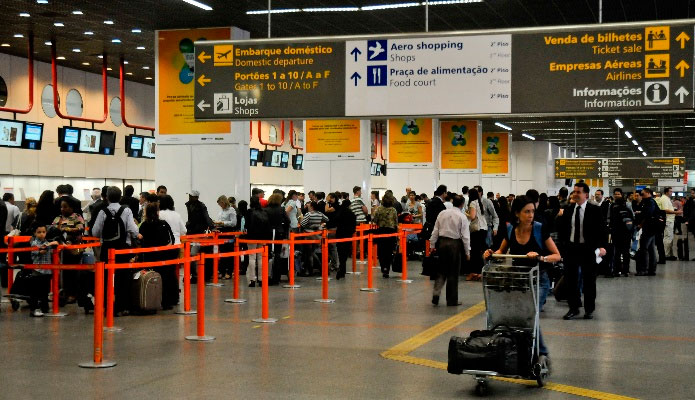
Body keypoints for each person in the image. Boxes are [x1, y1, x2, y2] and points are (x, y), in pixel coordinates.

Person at [483, 195, 560, 367]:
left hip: (539, 281)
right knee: (516, 316)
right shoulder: (511, 230)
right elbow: (501, 252)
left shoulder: (539, 229)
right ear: (517, 213)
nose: (531, 215)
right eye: (526, 212)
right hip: (519, 280)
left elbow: (557, 255)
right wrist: (490, 253)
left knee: (530, 315)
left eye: (532, 211)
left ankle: (543, 353)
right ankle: (522, 350)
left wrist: (540, 257)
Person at [557, 182, 607, 320]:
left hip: (588, 249)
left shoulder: (594, 210)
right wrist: (563, 246)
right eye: (574, 192)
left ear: (586, 194)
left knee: (589, 280)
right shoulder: (568, 209)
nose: (575, 194)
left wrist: (602, 246)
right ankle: (573, 308)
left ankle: (589, 309)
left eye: (578, 192)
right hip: (572, 248)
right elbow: (563, 230)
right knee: (571, 280)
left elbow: (602, 230)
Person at [92, 186, 142, 315]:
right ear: (120, 197)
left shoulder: (103, 212)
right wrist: (137, 235)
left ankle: (106, 306)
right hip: (122, 249)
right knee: (123, 277)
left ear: (107, 197)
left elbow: (95, 232)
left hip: (107, 249)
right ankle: (122, 306)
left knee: (106, 277)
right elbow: (133, 229)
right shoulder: (126, 211)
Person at [430, 195, 470, 306]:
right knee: (453, 272)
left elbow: (435, 231)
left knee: (441, 270)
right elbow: (465, 237)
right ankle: (452, 300)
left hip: (442, 243)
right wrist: (467, 252)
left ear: (452, 202)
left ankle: (436, 294)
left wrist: (432, 244)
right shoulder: (462, 217)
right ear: (462, 204)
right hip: (454, 245)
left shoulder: (442, 213)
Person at [138, 202, 178, 309]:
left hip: (149, 257)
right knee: (167, 278)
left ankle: (151, 301)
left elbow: (140, 240)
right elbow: (172, 239)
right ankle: (168, 301)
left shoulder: (144, 225)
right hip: (164, 256)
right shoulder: (163, 224)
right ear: (157, 212)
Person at [52, 199, 86, 304]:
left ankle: (73, 294)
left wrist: (67, 230)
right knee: (63, 273)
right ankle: (63, 292)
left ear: (71, 207)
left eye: (65, 207)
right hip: (60, 250)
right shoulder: (58, 218)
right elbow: (52, 229)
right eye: (62, 207)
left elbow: (80, 228)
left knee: (73, 272)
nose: (63, 209)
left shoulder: (77, 217)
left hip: (74, 250)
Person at [27, 224, 60, 317]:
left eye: (43, 232)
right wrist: (45, 247)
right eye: (39, 232)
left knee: (45, 290)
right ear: (34, 233)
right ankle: (34, 309)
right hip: (38, 270)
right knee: (36, 291)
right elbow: (39, 251)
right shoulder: (34, 243)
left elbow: (55, 244)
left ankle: (44, 307)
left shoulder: (46, 242)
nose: (42, 234)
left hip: (47, 270)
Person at [245, 196, 272, 286]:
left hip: (252, 237)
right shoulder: (264, 212)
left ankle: (252, 279)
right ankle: (261, 279)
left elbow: (247, 226)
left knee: (252, 257)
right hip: (263, 237)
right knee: (261, 258)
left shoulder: (249, 212)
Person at [265, 193, 290, 285]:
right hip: (279, 234)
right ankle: (276, 277)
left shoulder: (266, 210)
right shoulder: (281, 209)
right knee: (277, 255)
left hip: (268, 233)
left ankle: (267, 275)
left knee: (267, 255)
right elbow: (288, 221)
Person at [299, 201, 329, 276]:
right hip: (317, 235)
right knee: (312, 252)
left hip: (308, 235)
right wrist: (318, 224)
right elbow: (327, 219)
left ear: (312, 207)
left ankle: (314, 269)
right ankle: (314, 269)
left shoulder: (308, 214)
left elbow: (302, 224)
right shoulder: (320, 214)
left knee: (310, 253)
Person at [372, 195, 399, 278]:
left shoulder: (379, 209)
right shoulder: (393, 210)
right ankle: (387, 268)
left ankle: (383, 267)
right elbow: (396, 222)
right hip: (391, 232)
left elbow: (375, 220)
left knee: (381, 251)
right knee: (389, 251)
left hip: (381, 231)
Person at [635, 188, 659, 276]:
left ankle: (643, 269)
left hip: (649, 228)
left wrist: (641, 224)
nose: (641, 195)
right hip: (652, 228)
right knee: (651, 249)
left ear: (648, 193)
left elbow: (648, 215)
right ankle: (652, 269)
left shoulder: (650, 202)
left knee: (644, 248)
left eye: (642, 194)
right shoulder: (649, 202)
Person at [465, 188, 487, 280]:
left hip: (476, 230)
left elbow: (473, 217)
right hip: (484, 229)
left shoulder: (473, 203)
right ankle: (479, 272)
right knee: (479, 252)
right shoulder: (480, 202)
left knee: (474, 252)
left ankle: (474, 272)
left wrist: (466, 213)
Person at [610, 194, 634, 277]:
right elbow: (632, 221)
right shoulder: (628, 210)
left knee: (617, 253)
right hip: (627, 234)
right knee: (626, 253)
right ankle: (626, 271)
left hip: (617, 234)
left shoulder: (614, 210)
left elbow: (612, 222)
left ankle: (617, 270)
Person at [656, 187, 680, 261]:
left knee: (669, 237)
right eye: (670, 191)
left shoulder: (666, 198)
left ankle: (669, 254)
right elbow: (665, 210)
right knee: (667, 237)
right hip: (668, 220)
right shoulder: (664, 199)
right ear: (666, 192)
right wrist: (676, 212)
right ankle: (666, 254)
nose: (671, 192)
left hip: (669, 220)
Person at [335, 199, 357, 280]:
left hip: (340, 234)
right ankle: (342, 269)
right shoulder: (352, 214)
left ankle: (342, 269)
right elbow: (353, 226)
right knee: (345, 253)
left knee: (340, 252)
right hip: (348, 235)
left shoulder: (339, 213)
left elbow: (336, 221)